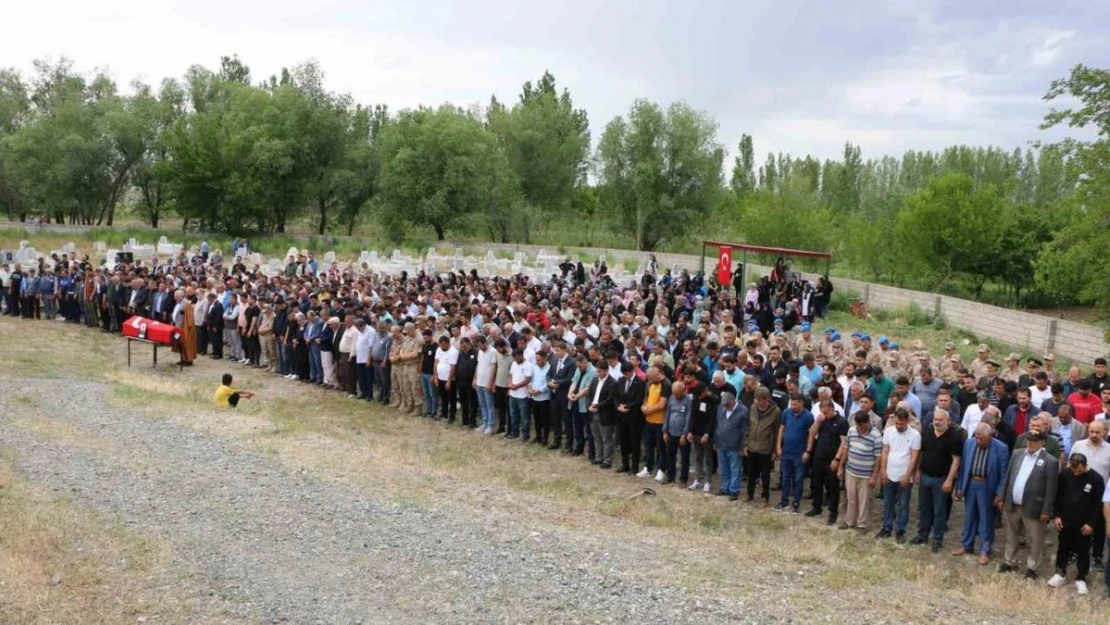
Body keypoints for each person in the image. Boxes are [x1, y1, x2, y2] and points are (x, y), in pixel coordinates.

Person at [999, 430, 1057, 579]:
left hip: (1034, 507)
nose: (1030, 443)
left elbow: (1051, 489)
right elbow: (1009, 477)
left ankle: (1033, 567)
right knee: (1012, 534)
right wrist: (1002, 496)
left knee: (1035, 538)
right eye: (1028, 440)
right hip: (1014, 503)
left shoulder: (1050, 461)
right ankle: (1009, 560)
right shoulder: (1017, 454)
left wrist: (1046, 510)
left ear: (1042, 442)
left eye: (1034, 441)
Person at [1048, 453, 1105, 596]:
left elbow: (1098, 505)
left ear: (1085, 465)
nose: (1076, 473)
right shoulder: (1066, 474)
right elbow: (1058, 496)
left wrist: (1091, 524)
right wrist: (1057, 516)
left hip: (1084, 522)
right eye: (1074, 471)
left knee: (1083, 550)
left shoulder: (1096, 479)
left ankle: (1081, 578)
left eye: (1079, 471)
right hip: (1065, 519)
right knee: (1063, 546)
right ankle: (1061, 573)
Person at [954, 422, 1010, 564]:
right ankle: (967, 545)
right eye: (977, 438)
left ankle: (985, 550)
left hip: (987, 486)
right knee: (969, 516)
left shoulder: (1001, 448)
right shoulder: (969, 443)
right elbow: (964, 466)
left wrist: (999, 494)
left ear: (990, 436)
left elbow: (1004, 474)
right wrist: (960, 486)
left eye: (982, 439)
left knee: (986, 519)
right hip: (971, 483)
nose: (978, 441)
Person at [912, 408, 963, 552]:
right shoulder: (927, 433)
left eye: (940, 420)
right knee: (924, 508)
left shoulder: (954, 437)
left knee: (939, 511)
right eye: (935, 419)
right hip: (925, 476)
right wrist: (917, 471)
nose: (937, 422)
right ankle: (922, 535)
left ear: (948, 421)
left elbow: (956, 460)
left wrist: (949, 480)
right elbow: (921, 454)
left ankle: (937, 539)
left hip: (941, 479)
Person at [1070, 420, 1110, 570]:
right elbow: (1071, 467)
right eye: (1091, 431)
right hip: (1079, 494)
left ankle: (1097, 556)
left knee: (1098, 526)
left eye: (1098, 432)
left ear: (1105, 432)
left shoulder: (1109, 449)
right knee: (1076, 524)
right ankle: (1074, 551)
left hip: (1100, 495)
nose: (1094, 435)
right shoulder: (1078, 445)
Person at [878, 409, 921, 542]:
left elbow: (914, 457)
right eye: (897, 423)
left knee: (903, 504)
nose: (898, 426)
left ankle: (900, 530)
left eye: (901, 424)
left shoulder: (915, 435)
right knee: (888, 502)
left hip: (904, 475)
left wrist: (908, 475)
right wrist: (882, 470)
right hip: (890, 473)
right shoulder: (889, 431)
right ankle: (887, 527)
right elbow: (885, 451)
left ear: (907, 421)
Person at [805, 399, 848, 525]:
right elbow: (812, 433)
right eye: (822, 411)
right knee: (816, 483)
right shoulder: (822, 420)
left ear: (832, 408)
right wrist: (818, 421)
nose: (825, 414)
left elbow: (844, 442)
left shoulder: (842, 422)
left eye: (826, 412)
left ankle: (833, 512)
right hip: (819, 456)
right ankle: (816, 507)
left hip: (832, 458)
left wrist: (837, 459)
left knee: (833, 487)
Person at [774, 394, 814, 513]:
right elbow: (781, 429)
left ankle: (796, 502)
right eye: (792, 404)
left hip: (799, 453)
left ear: (801, 403)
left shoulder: (808, 416)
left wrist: (808, 451)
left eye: (795, 404)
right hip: (786, 451)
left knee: (798, 478)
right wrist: (778, 446)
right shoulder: (786, 413)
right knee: (785, 477)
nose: (793, 407)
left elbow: (811, 435)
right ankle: (783, 501)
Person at [711, 390, 749, 501]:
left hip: (735, 446)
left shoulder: (743, 411)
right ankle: (724, 487)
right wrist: (715, 441)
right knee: (723, 468)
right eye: (723, 404)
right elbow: (717, 425)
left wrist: (743, 446)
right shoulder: (721, 408)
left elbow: (745, 431)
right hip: (721, 444)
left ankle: (734, 490)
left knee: (735, 468)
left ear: (733, 401)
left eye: (727, 404)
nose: (725, 406)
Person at [614, 361, 646, 474]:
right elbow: (615, 396)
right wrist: (618, 406)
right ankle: (625, 463)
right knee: (623, 441)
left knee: (634, 442)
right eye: (625, 374)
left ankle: (634, 466)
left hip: (634, 417)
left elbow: (639, 400)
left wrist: (627, 406)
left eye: (628, 374)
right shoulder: (621, 381)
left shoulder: (640, 383)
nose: (626, 376)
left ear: (633, 371)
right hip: (622, 416)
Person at [586, 360, 617, 468]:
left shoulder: (612, 383)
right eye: (597, 371)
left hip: (605, 414)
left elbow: (610, 400)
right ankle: (599, 457)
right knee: (597, 437)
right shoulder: (594, 380)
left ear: (606, 371)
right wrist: (590, 405)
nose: (598, 373)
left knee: (606, 438)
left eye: (600, 371)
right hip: (593, 412)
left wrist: (597, 406)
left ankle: (607, 460)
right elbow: (590, 395)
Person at [662, 380, 693, 485]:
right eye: (674, 393)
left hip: (682, 434)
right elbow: (667, 414)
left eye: (677, 393)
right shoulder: (671, 398)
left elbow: (689, 418)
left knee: (684, 458)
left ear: (683, 391)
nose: (675, 395)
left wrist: (685, 434)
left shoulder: (688, 400)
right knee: (670, 455)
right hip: (671, 432)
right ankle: (670, 476)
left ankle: (683, 479)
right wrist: (665, 430)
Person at [507, 348, 533, 440]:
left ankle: (525, 434)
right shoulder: (514, 363)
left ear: (521, 355)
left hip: (523, 395)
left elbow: (527, 379)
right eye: (514, 358)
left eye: (517, 358)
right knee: (513, 414)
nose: (516, 360)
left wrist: (516, 386)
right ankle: (515, 432)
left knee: (524, 417)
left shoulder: (529, 365)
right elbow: (510, 375)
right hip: (513, 394)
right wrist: (510, 384)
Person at [435, 335, 459, 423]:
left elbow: (453, 367)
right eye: (441, 345)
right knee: (443, 397)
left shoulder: (454, 352)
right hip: (440, 377)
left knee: (452, 399)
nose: (442, 347)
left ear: (448, 343)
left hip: (449, 379)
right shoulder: (439, 349)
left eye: (444, 346)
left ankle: (452, 416)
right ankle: (444, 413)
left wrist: (449, 380)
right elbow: (436, 363)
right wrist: (436, 377)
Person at [171, 289, 197, 365]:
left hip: (184, 327)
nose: (174, 298)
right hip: (177, 327)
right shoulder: (178, 303)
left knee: (186, 344)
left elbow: (189, 317)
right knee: (180, 344)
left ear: (181, 296)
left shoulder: (187, 303)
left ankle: (188, 360)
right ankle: (182, 359)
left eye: (176, 296)